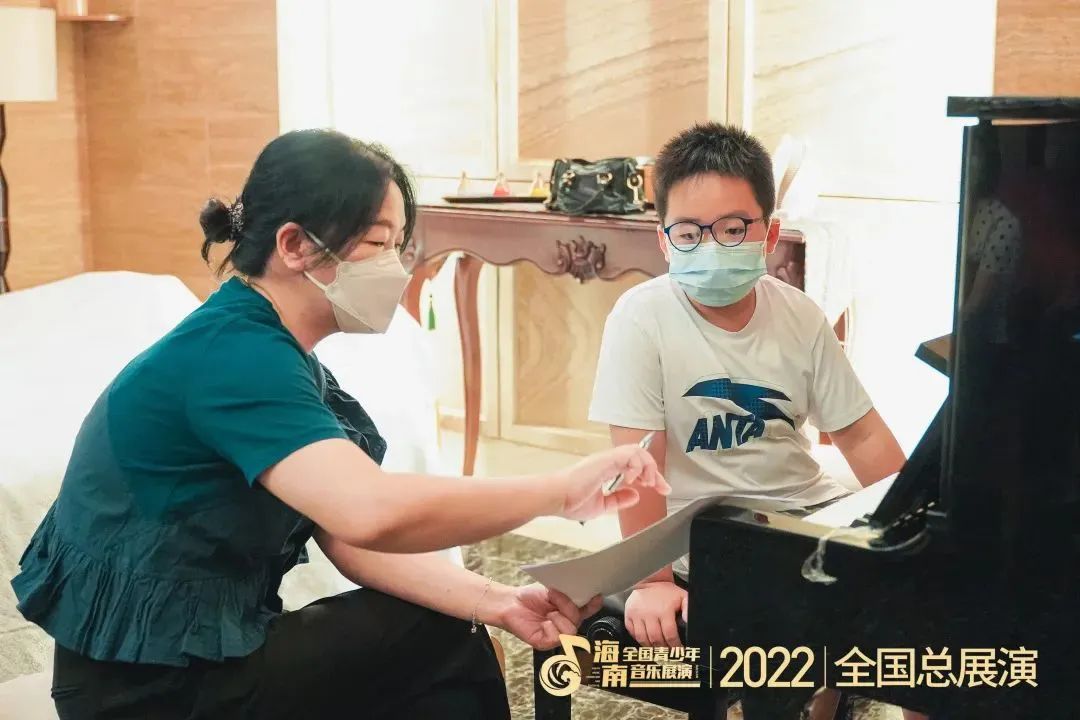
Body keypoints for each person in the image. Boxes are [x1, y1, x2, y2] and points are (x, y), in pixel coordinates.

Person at [11, 129, 668, 720]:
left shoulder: (274, 351)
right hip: (146, 689)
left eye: (399, 246)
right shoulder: (235, 358)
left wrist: (495, 599)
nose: (397, 268)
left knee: (439, 626)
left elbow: (348, 536)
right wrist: (560, 490)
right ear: (294, 245)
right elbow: (369, 512)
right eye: (379, 244)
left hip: (182, 662)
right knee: (437, 642)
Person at [589, 123, 916, 719]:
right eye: (689, 232)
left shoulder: (800, 316)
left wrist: (911, 526)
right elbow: (637, 464)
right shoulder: (641, 319)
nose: (711, 246)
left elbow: (862, 433)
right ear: (663, 240)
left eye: (734, 228)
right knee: (783, 635)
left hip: (801, 515)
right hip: (705, 537)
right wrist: (651, 580)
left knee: (933, 618)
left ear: (768, 233)